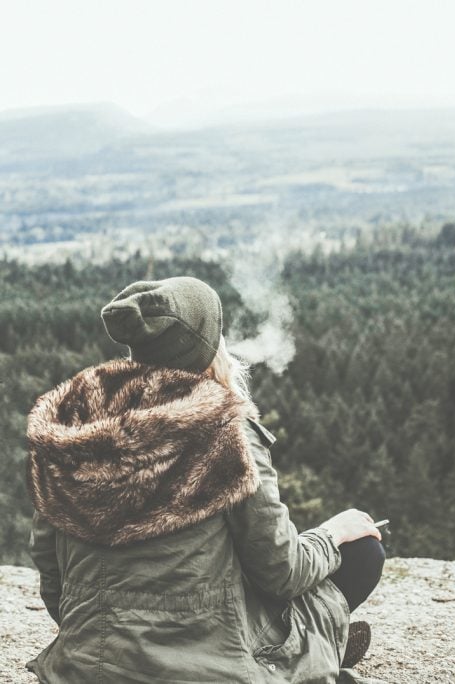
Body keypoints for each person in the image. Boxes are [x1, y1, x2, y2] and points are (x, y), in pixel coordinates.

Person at [25, 276, 386, 684]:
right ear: (209, 346)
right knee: (363, 553)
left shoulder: (71, 433)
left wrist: (102, 633)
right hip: (207, 669)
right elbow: (281, 572)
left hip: (87, 664)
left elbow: (50, 568)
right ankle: (310, 655)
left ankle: (316, 648)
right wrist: (332, 534)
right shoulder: (227, 433)